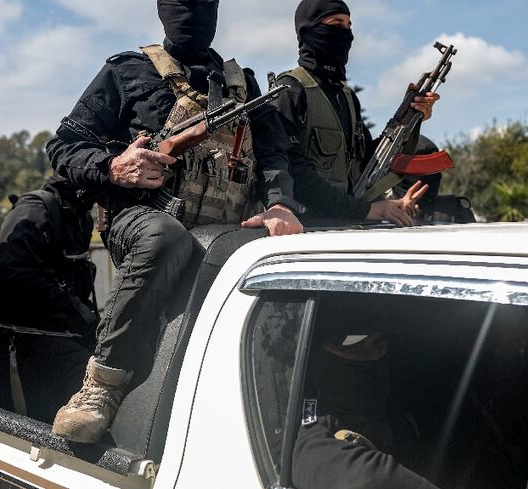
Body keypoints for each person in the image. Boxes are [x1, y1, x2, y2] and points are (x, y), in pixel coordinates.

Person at [46, 0, 303, 443]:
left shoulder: (244, 85)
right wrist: (114, 167)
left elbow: (275, 157)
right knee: (164, 237)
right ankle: (102, 383)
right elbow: (64, 145)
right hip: (142, 219)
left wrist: (280, 205)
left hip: (224, 228)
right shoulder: (127, 71)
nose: (194, 11)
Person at [272, 0, 439, 225]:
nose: (346, 34)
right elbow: (294, 173)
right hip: (308, 230)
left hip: (348, 225)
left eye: (349, 25)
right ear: (309, 30)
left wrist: (409, 119)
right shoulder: (290, 90)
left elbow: (367, 163)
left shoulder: (346, 96)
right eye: (336, 24)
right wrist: (365, 210)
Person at [0, 175, 97, 422]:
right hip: (22, 338)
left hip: (60, 332)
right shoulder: (34, 210)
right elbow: (12, 274)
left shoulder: (81, 218)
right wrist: (72, 307)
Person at [292, 331, 441, 489]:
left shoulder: (395, 399)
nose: (370, 357)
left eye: (378, 346)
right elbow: (312, 458)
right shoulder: (316, 423)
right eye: (350, 349)